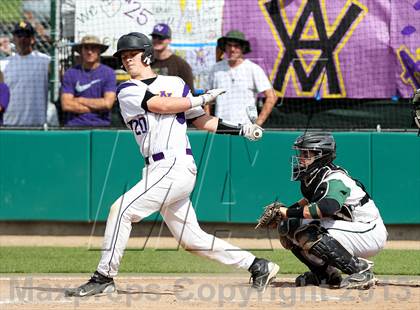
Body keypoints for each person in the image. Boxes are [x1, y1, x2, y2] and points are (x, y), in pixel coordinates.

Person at [65, 32, 278, 297]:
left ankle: (104, 276)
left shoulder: (176, 82)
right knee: (192, 240)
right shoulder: (128, 90)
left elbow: (201, 120)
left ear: (146, 55)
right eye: (123, 56)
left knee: (121, 210)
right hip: (156, 168)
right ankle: (258, 265)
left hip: (174, 165)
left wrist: (242, 130)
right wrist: (201, 98)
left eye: (132, 54)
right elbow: (161, 105)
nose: (127, 60)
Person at [257, 132, 387, 289]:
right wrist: (283, 214)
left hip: (369, 232)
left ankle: (361, 270)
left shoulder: (334, 178)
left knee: (306, 229)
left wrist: (287, 212)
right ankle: (326, 275)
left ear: (320, 155)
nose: (301, 158)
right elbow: (306, 203)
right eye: (301, 153)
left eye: (306, 153)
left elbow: (327, 207)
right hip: (351, 229)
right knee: (288, 226)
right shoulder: (315, 177)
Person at [206, 30, 277, 126]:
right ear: (224, 47)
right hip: (220, 127)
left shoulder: (253, 69)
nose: (232, 49)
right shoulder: (215, 68)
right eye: (229, 45)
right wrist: (207, 122)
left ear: (243, 48)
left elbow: (272, 96)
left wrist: (257, 123)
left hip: (245, 129)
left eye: (236, 46)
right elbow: (207, 98)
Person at [2, 21, 50, 126]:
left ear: (32, 39)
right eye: (19, 35)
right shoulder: (3, 64)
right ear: (13, 38)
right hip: (10, 124)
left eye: (26, 35)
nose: (22, 39)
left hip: (37, 124)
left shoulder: (44, 61)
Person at [60, 35, 116, 126]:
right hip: (74, 126)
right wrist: (96, 107)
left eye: (93, 48)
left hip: (101, 126)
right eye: (86, 48)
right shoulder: (70, 73)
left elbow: (107, 104)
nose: (89, 52)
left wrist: (80, 100)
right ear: (81, 51)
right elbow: (66, 104)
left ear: (99, 51)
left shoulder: (109, 73)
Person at [150, 23, 195, 93]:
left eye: (161, 37)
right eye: (154, 37)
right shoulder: (146, 62)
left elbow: (189, 92)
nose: (156, 40)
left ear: (169, 40)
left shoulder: (181, 65)